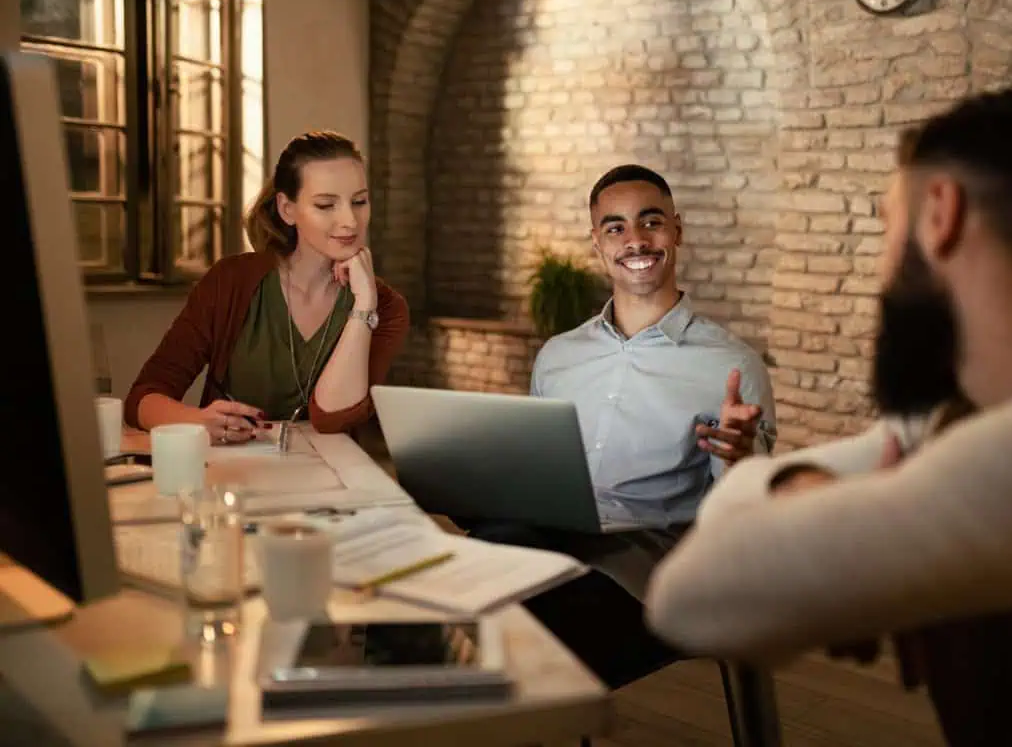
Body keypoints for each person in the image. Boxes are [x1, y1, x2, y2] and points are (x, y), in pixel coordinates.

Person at [646, 89, 1012, 745]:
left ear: (941, 213)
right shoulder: (1011, 409)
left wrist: (804, 497)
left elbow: (688, 598)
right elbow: (734, 523)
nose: (883, 267)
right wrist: (812, 495)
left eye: (887, 224)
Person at [460, 164, 776, 689]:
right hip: (555, 539)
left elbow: (750, 517)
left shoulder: (731, 366)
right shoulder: (559, 356)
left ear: (677, 229)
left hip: (649, 570)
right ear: (597, 243)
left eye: (651, 222)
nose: (636, 240)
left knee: (517, 636)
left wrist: (740, 459)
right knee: (460, 577)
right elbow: (541, 472)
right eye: (616, 227)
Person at [125, 131, 409, 443]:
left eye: (359, 202)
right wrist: (197, 421)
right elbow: (143, 399)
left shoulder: (385, 307)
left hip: (333, 482)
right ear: (287, 209)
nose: (350, 221)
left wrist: (364, 305)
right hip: (231, 478)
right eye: (326, 205)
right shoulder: (230, 282)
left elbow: (333, 418)